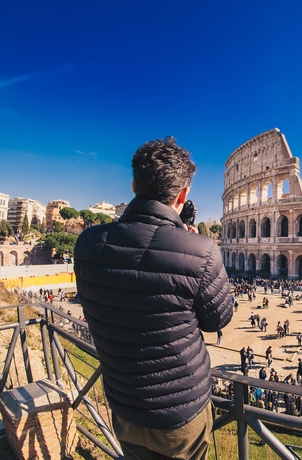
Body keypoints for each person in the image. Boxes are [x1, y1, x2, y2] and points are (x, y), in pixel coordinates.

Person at [74, 137, 233, 460]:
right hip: (180, 412)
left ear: (134, 184)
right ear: (183, 194)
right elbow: (218, 319)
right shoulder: (201, 251)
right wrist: (190, 247)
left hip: (123, 402)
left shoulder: (87, 244)